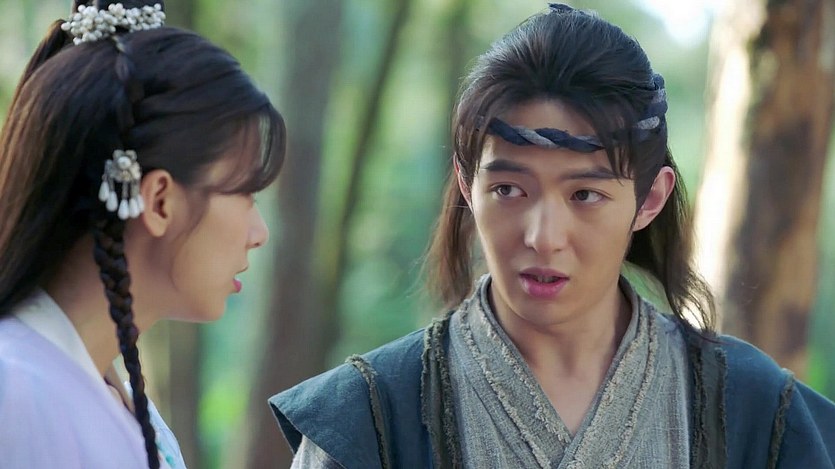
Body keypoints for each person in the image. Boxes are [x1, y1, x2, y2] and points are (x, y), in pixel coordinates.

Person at [269, 3, 835, 469]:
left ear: (650, 199)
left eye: (584, 195)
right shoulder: (367, 421)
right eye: (509, 189)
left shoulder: (761, 415)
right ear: (467, 185)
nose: (543, 237)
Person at [0, 1, 285, 468]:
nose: (259, 233)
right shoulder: (16, 395)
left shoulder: (111, 394)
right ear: (159, 201)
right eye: (246, 194)